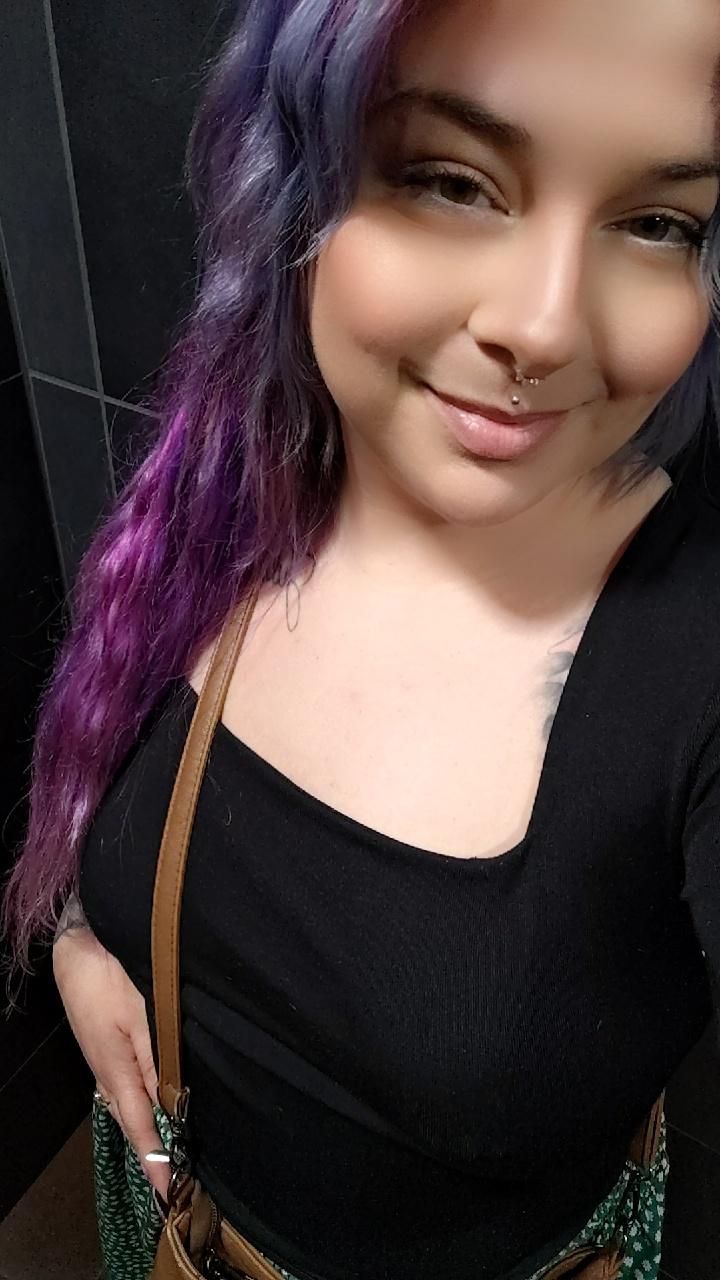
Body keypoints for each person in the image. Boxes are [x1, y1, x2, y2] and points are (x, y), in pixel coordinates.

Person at [4, 0, 720, 1277]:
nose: (547, 324)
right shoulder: (230, 479)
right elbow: (112, 789)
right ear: (294, 185)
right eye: (453, 179)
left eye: (659, 220)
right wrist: (85, 942)